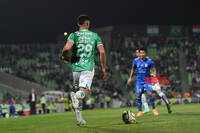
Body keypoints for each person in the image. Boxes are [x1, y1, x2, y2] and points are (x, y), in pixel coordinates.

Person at [62, 14, 106, 126]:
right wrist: (103, 68)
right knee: (83, 93)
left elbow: (66, 49)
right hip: (87, 67)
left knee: (79, 93)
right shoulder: (94, 36)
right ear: (88, 23)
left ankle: (80, 120)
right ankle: (76, 96)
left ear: (78, 24)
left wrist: (65, 57)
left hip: (75, 68)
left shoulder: (73, 35)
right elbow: (102, 52)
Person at [127, 47, 159, 117]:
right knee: (139, 95)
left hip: (147, 80)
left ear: (145, 53)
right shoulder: (136, 61)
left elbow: (154, 70)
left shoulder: (150, 61)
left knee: (150, 94)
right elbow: (133, 69)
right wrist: (130, 78)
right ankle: (140, 111)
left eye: (143, 53)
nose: (141, 54)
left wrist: (154, 79)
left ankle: (154, 109)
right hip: (139, 81)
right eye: (140, 53)